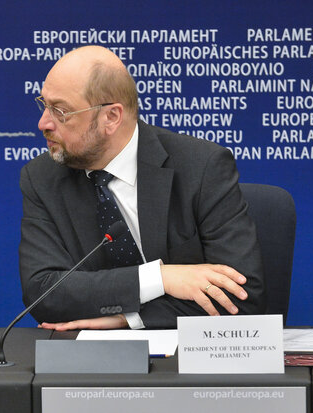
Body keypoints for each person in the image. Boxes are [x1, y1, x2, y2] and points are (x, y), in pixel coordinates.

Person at [20, 45, 265, 330]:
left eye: (61, 111)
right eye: (44, 104)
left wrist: (126, 319)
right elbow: (44, 293)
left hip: (191, 363)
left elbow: (242, 299)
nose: (43, 123)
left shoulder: (202, 168)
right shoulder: (42, 178)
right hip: (88, 365)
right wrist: (160, 278)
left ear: (111, 117)